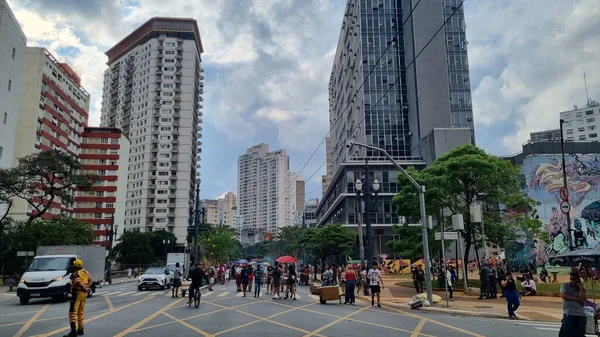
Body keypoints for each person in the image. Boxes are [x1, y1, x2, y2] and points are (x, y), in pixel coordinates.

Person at [63, 259, 93, 337]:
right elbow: (91, 280)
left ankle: (73, 332)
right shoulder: (86, 272)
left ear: (75, 266)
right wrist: (87, 287)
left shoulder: (76, 274)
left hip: (76, 294)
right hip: (84, 294)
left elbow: (78, 283)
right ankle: (80, 329)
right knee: (80, 312)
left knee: (73, 313)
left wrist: (84, 288)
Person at [559, 272, 587, 337]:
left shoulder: (583, 290)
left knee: (580, 334)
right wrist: (576, 298)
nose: (572, 281)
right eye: (571, 279)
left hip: (580, 314)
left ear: (578, 280)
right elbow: (563, 295)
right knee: (568, 333)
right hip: (569, 313)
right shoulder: (565, 286)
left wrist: (581, 288)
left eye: (574, 279)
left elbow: (582, 300)